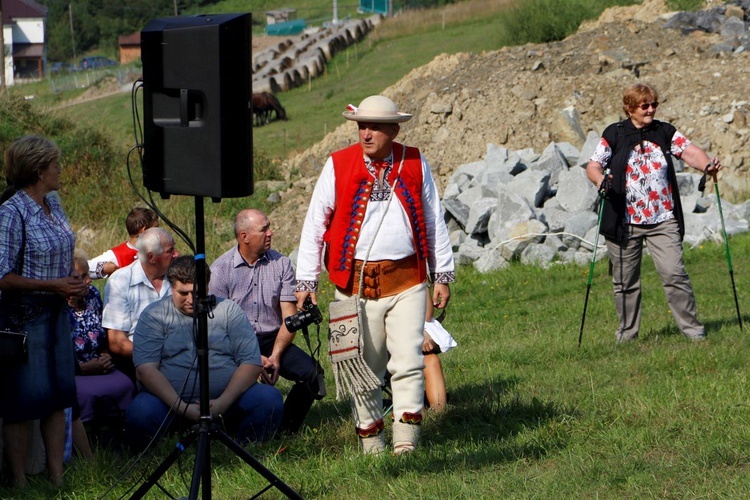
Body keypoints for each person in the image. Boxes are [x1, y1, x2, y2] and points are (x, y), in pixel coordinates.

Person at [295, 95, 455, 455]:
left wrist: (442, 273)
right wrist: (306, 281)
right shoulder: (337, 165)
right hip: (353, 285)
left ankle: (406, 444)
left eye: (374, 127)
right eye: (360, 126)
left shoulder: (414, 161)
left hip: (408, 280)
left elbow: (433, 217)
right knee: (362, 366)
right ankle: (371, 445)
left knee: (409, 362)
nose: (365, 133)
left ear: (394, 130)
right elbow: (315, 223)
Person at [586, 82, 722, 343]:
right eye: (644, 105)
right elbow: (594, 165)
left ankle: (694, 332)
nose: (650, 109)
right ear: (630, 108)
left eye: (654, 104)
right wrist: (600, 180)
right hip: (624, 221)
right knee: (625, 282)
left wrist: (707, 165)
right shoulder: (614, 134)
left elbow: (690, 152)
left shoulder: (664, 131)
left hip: (663, 219)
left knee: (674, 274)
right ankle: (627, 335)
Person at [125, 256, 284, 450]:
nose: (191, 300)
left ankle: (244, 446)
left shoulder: (228, 310)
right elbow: (146, 370)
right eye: (183, 293)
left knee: (269, 399)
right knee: (140, 412)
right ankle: (160, 449)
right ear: (171, 287)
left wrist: (221, 404)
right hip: (168, 404)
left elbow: (250, 363)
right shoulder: (154, 315)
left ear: (208, 286)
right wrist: (183, 408)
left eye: (197, 292)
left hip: (227, 402)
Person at [0, 135, 87, 487]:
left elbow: (64, 247)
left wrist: (72, 282)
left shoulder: (54, 202)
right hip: (23, 317)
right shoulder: (10, 212)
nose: (59, 170)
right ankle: (19, 480)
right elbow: (2, 275)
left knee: (58, 395)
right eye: (55, 165)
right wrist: (53, 286)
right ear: (38, 170)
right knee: (23, 401)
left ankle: (57, 476)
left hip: (56, 313)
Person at [210, 209, 323, 434]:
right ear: (244, 237)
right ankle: (231, 426)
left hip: (273, 337)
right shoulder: (220, 270)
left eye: (269, 227)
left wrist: (275, 356)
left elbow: (289, 317)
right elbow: (218, 327)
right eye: (264, 229)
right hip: (235, 342)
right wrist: (252, 357)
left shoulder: (281, 264)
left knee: (313, 375)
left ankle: (284, 430)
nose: (271, 232)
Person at [68, 249, 135, 426]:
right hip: (71, 372)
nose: (89, 280)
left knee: (126, 384)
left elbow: (103, 332)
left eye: (87, 274)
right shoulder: (55, 307)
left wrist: (105, 353)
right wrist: (82, 368)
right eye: (82, 277)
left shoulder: (92, 296)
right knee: (85, 394)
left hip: (100, 366)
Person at [102, 226, 178, 378]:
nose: (177, 254)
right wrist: (158, 357)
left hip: (181, 359)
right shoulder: (121, 281)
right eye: (170, 251)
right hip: (137, 363)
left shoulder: (178, 277)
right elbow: (117, 342)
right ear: (151, 257)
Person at [87, 207, 159, 279]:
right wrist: (103, 268)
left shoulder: (161, 248)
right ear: (143, 230)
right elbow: (83, 268)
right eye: (156, 228)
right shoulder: (118, 254)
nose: (159, 232)